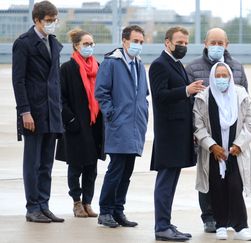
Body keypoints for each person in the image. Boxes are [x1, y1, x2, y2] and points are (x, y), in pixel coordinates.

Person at [185, 28, 249, 233]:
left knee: (232, 178)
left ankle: (231, 217)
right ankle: (209, 216)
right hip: (206, 135)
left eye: (220, 43)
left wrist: (240, 140)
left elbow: (246, 100)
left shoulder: (237, 68)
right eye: (213, 42)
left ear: (227, 44)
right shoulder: (193, 68)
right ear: (205, 43)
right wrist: (198, 136)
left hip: (232, 136)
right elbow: (187, 103)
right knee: (208, 175)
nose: (216, 46)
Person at [149, 26, 205, 242]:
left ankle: (166, 223)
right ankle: (161, 226)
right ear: (167, 42)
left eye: (185, 43)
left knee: (171, 181)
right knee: (165, 181)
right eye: (179, 42)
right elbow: (160, 96)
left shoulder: (176, 64)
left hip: (179, 132)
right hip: (168, 134)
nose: (183, 46)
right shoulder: (159, 65)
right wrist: (186, 90)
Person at [12, 0, 64, 223]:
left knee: (46, 163)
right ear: (37, 20)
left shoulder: (54, 43)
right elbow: (19, 80)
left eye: (55, 20)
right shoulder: (24, 43)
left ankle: (44, 204)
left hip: (52, 112)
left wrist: (59, 109)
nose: (52, 24)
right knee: (32, 162)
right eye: (49, 21)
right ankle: (32, 206)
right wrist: (25, 111)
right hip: (33, 112)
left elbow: (55, 82)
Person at [193, 62, 251, 241]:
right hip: (214, 152)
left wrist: (239, 145)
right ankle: (220, 225)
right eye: (218, 76)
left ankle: (241, 227)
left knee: (235, 186)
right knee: (217, 188)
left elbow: (250, 125)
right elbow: (198, 126)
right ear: (212, 77)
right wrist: (212, 146)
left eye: (224, 75)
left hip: (236, 151)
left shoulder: (241, 95)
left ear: (230, 76)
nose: (221, 79)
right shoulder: (203, 97)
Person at [95, 25, 149, 228]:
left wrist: (143, 114)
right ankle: (105, 211)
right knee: (116, 169)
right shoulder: (112, 63)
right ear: (125, 41)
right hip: (119, 124)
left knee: (127, 171)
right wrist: (111, 114)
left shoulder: (138, 64)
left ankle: (118, 210)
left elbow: (143, 95)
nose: (138, 45)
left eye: (141, 42)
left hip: (135, 126)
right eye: (135, 41)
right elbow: (101, 92)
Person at [55, 28, 104, 218]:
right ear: (76, 46)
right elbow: (60, 98)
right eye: (86, 44)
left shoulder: (98, 66)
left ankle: (88, 202)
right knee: (76, 166)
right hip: (76, 125)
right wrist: (71, 119)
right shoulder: (67, 68)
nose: (90, 47)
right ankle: (76, 202)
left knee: (91, 167)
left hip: (94, 125)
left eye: (91, 44)